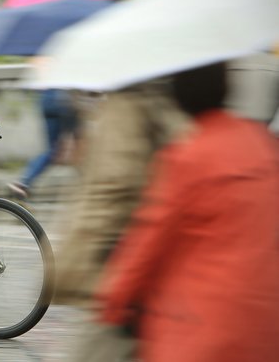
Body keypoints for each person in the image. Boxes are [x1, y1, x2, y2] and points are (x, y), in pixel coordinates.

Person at [97, 62, 279, 362]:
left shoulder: (188, 157)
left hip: (200, 331)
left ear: (179, 98)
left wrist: (115, 302)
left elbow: (148, 244)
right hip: (265, 329)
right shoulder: (264, 144)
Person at [50, 78, 190, 362]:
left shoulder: (125, 104)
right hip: (161, 274)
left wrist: (67, 268)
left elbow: (111, 188)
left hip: (118, 272)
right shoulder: (169, 100)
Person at [7, 88, 79, 200]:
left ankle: (23, 182)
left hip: (46, 101)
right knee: (80, 144)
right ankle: (91, 183)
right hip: (65, 101)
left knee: (52, 150)